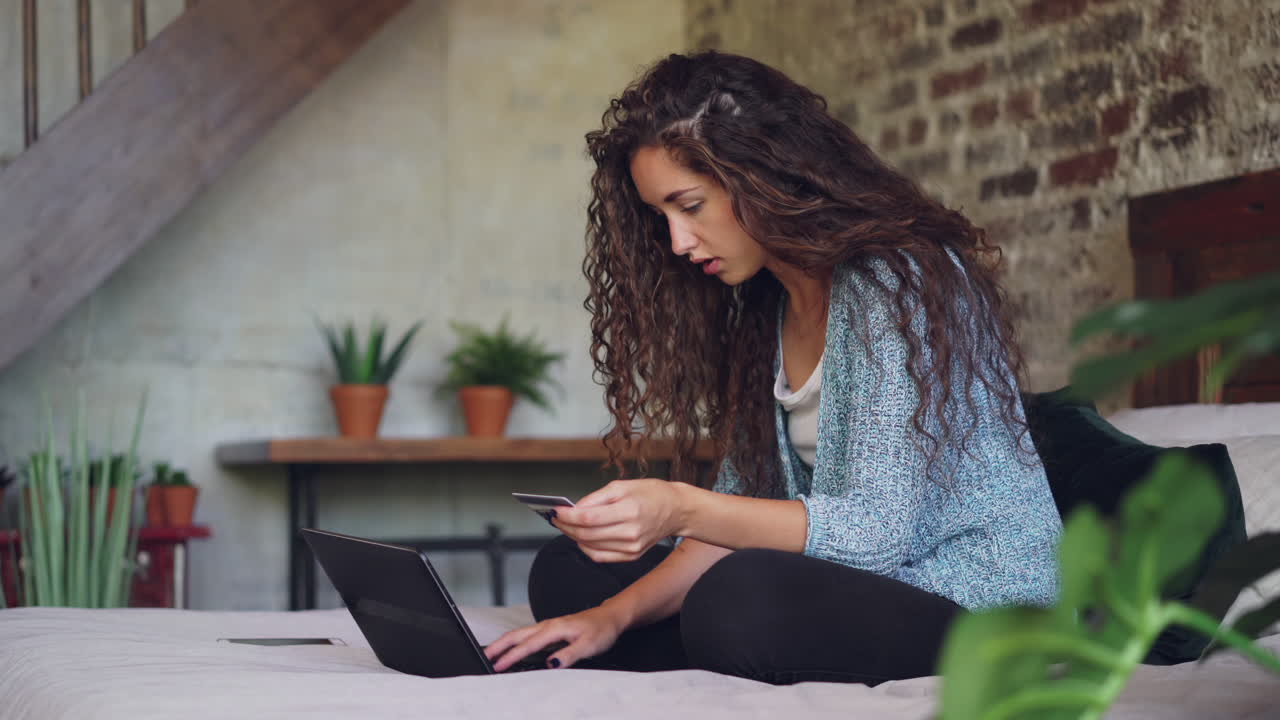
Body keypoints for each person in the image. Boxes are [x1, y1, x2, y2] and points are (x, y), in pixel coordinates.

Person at [484, 51, 1063, 685]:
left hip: (970, 600)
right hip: (848, 587)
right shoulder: (768, 303)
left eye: (690, 206)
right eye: (661, 217)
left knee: (739, 599)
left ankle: (712, 640)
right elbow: (742, 509)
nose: (678, 242)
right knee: (569, 576)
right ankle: (655, 638)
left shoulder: (901, 282)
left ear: (762, 172)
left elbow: (877, 534)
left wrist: (678, 507)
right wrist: (613, 616)